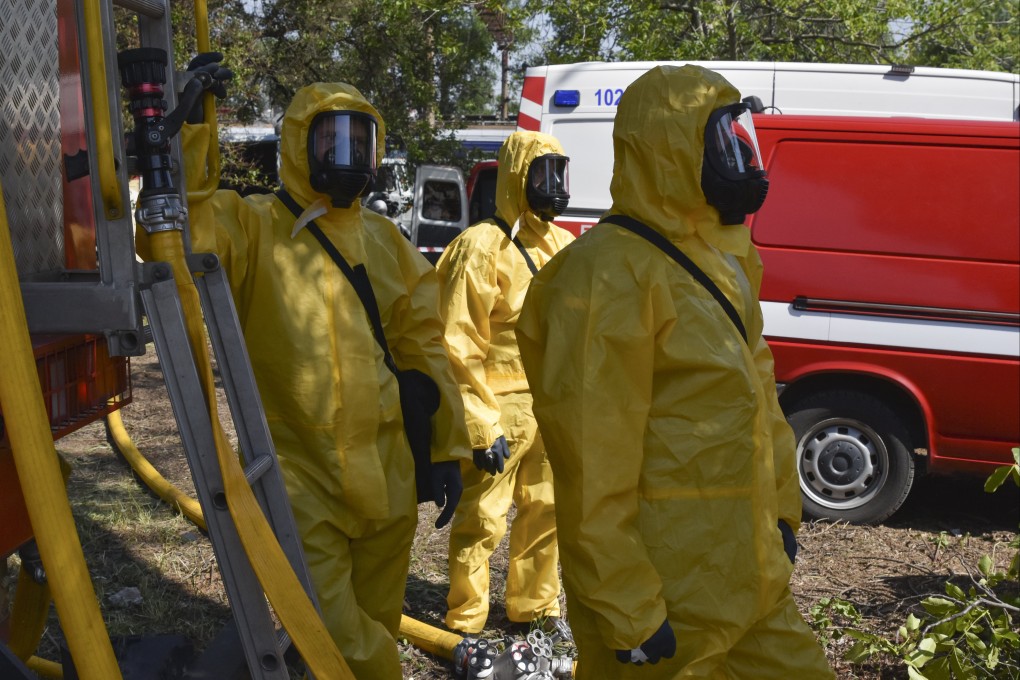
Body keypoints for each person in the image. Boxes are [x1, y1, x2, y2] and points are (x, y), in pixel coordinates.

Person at [144, 74, 471, 679]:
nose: (345, 155)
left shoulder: (387, 242)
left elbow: (424, 346)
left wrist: (449, 447)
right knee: (341, 641)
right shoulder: (252, 226)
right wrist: (189, 136)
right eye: (329, 140)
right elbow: (172, 238)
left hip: (390, 478)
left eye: (360, 141)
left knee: (374, 622)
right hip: (299, 478)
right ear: (298, 145)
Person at [515, 65, 835, 679]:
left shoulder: (721, 261)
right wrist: (627, 605)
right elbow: (591, 458)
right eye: (719, 141)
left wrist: (781, 517)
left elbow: (758, 402)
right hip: (663, 590)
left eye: (738, 137)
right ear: (668, 150)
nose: (738, 157)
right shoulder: (605, 276)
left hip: (748, 574)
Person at [436, 131, 575, 639]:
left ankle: (535, 608)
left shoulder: (563, 245)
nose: (554, 187)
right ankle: (466, 620)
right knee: (482, 520)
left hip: (552, 409)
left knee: (548, 511)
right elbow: (458, 342)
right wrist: (479, 422)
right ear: (518, 177)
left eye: (560, 174)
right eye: (543, 175)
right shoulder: (480, 248)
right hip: (500, 408)